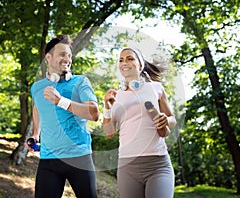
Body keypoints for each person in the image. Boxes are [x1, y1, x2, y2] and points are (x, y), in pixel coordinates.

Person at [27, 34, 99, 198]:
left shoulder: (80, 82)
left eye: (69, 55)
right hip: (48, 159)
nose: (67, 59)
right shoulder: (37, 87)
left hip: (79, 158)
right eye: (62, 54)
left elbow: (94, 113)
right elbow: (37, 108)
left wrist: (61, 102)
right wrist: (36, 134)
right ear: (48, 57)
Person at [103, 47, 177, 198]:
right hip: (127, 167)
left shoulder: (156, 88)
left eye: (130, 58)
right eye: (121, 60)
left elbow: (172, 119)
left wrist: (166, 120)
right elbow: (109, 133)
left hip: (157, 165)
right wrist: (107, 108)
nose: (125, 62)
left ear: (140, 65)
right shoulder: (115, 96)